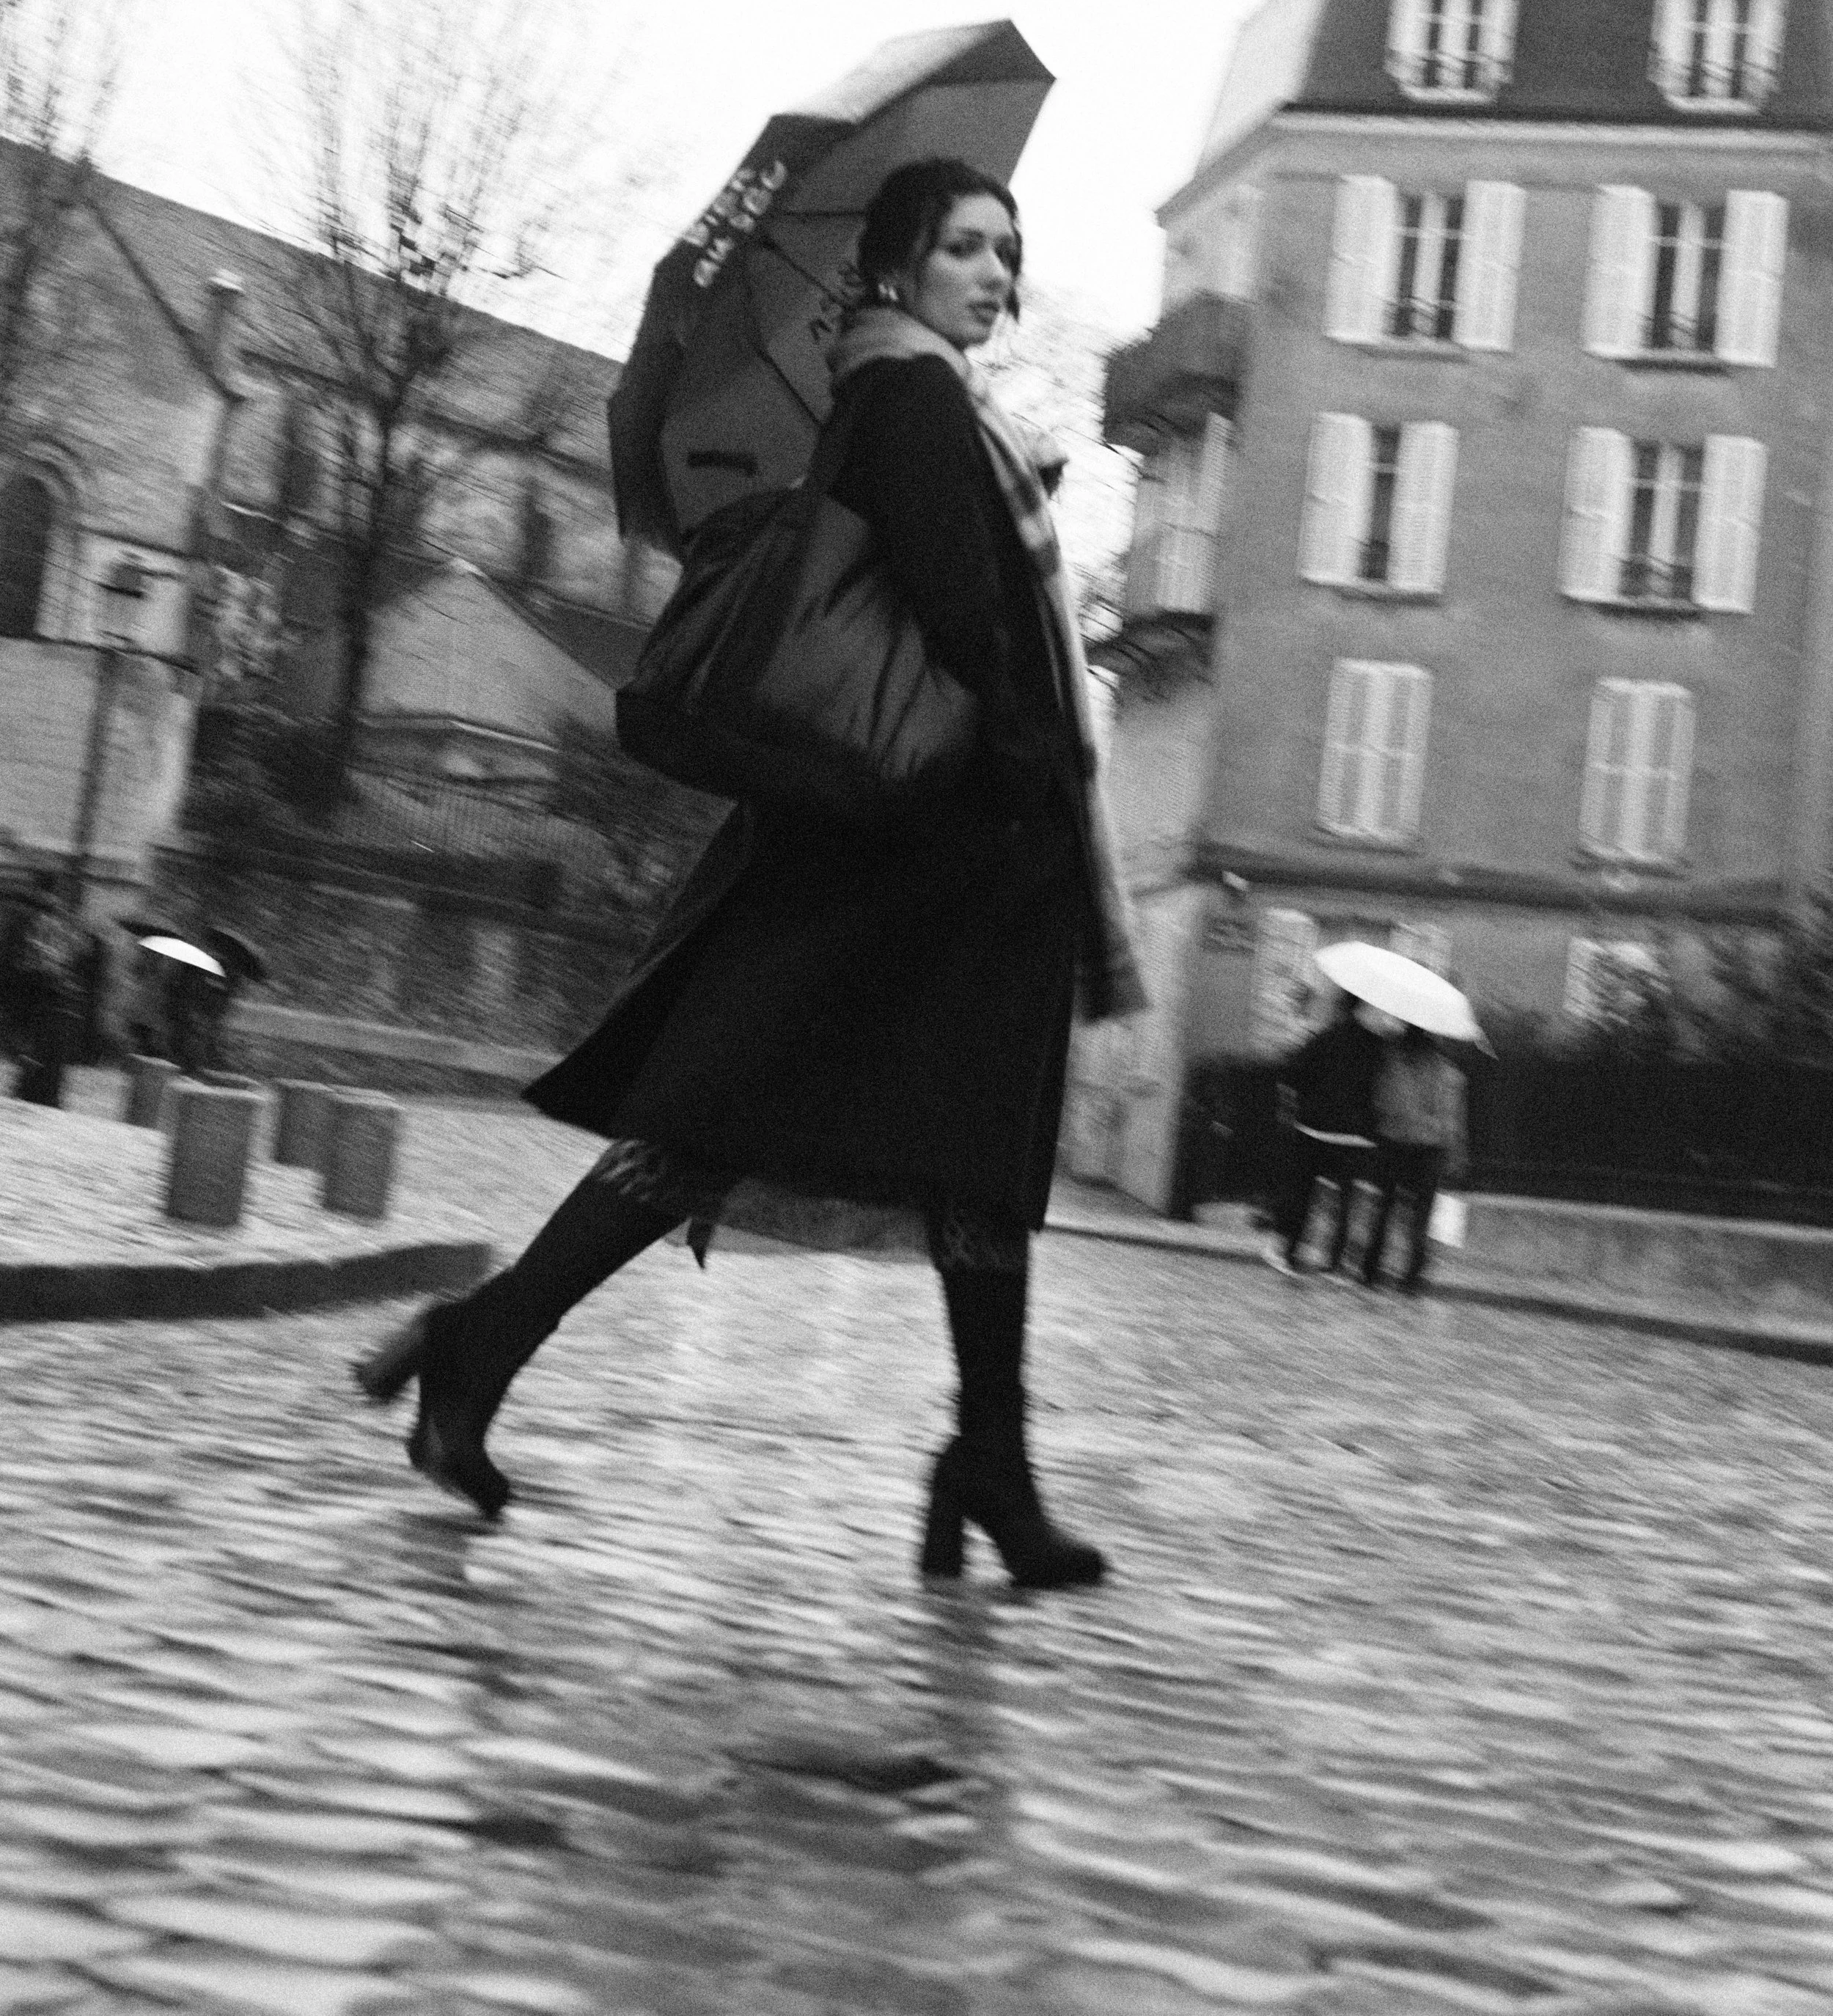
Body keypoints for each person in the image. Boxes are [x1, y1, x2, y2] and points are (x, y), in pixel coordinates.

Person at [356, 158, 1145, 1588]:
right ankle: (483, 1348)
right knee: (748, 1126)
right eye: (964, 246)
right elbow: (961, 613)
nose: (993, 274)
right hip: (921, 851)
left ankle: (990, 1467)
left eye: (1005, 252)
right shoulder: (907, 398)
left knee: (950, 1161)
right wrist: (1030, 736)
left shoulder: (919, 401)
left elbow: (941, 586)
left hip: (927, 852)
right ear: (899, 262)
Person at [1262, 991, 1384, 1278]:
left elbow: (1293, 1075)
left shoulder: (1323, 1038)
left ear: (1340, 1007)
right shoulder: (1376, 1046)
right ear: (1364, 1006)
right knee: (1345, 1201)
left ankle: (1289, 1253)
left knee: (1301, 1192)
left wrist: (1308, 1099)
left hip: (1314, 1129)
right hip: (1356, 1135)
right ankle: (1337, 1263)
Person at [1360, 1024, 1467, 1293]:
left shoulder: (1391, 1065)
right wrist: (1456, 1156)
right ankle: (1412, 1276)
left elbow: (1381, 1104)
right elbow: (1452, 1120)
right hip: (1430, 1150)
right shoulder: (1448, 1073)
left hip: (1395, 1144)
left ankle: (1371, 1269)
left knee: (1384, 1209)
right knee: (1421, 1216)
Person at [1, 873, 82, 1108]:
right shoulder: (55, 922)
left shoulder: (25, 917)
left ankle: (30, 1087)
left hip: (30, 990)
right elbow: (63, 962)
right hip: (45, 994)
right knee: (41, 1047)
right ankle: (37, 1091)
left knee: (31, 1045)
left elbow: (15, 958)